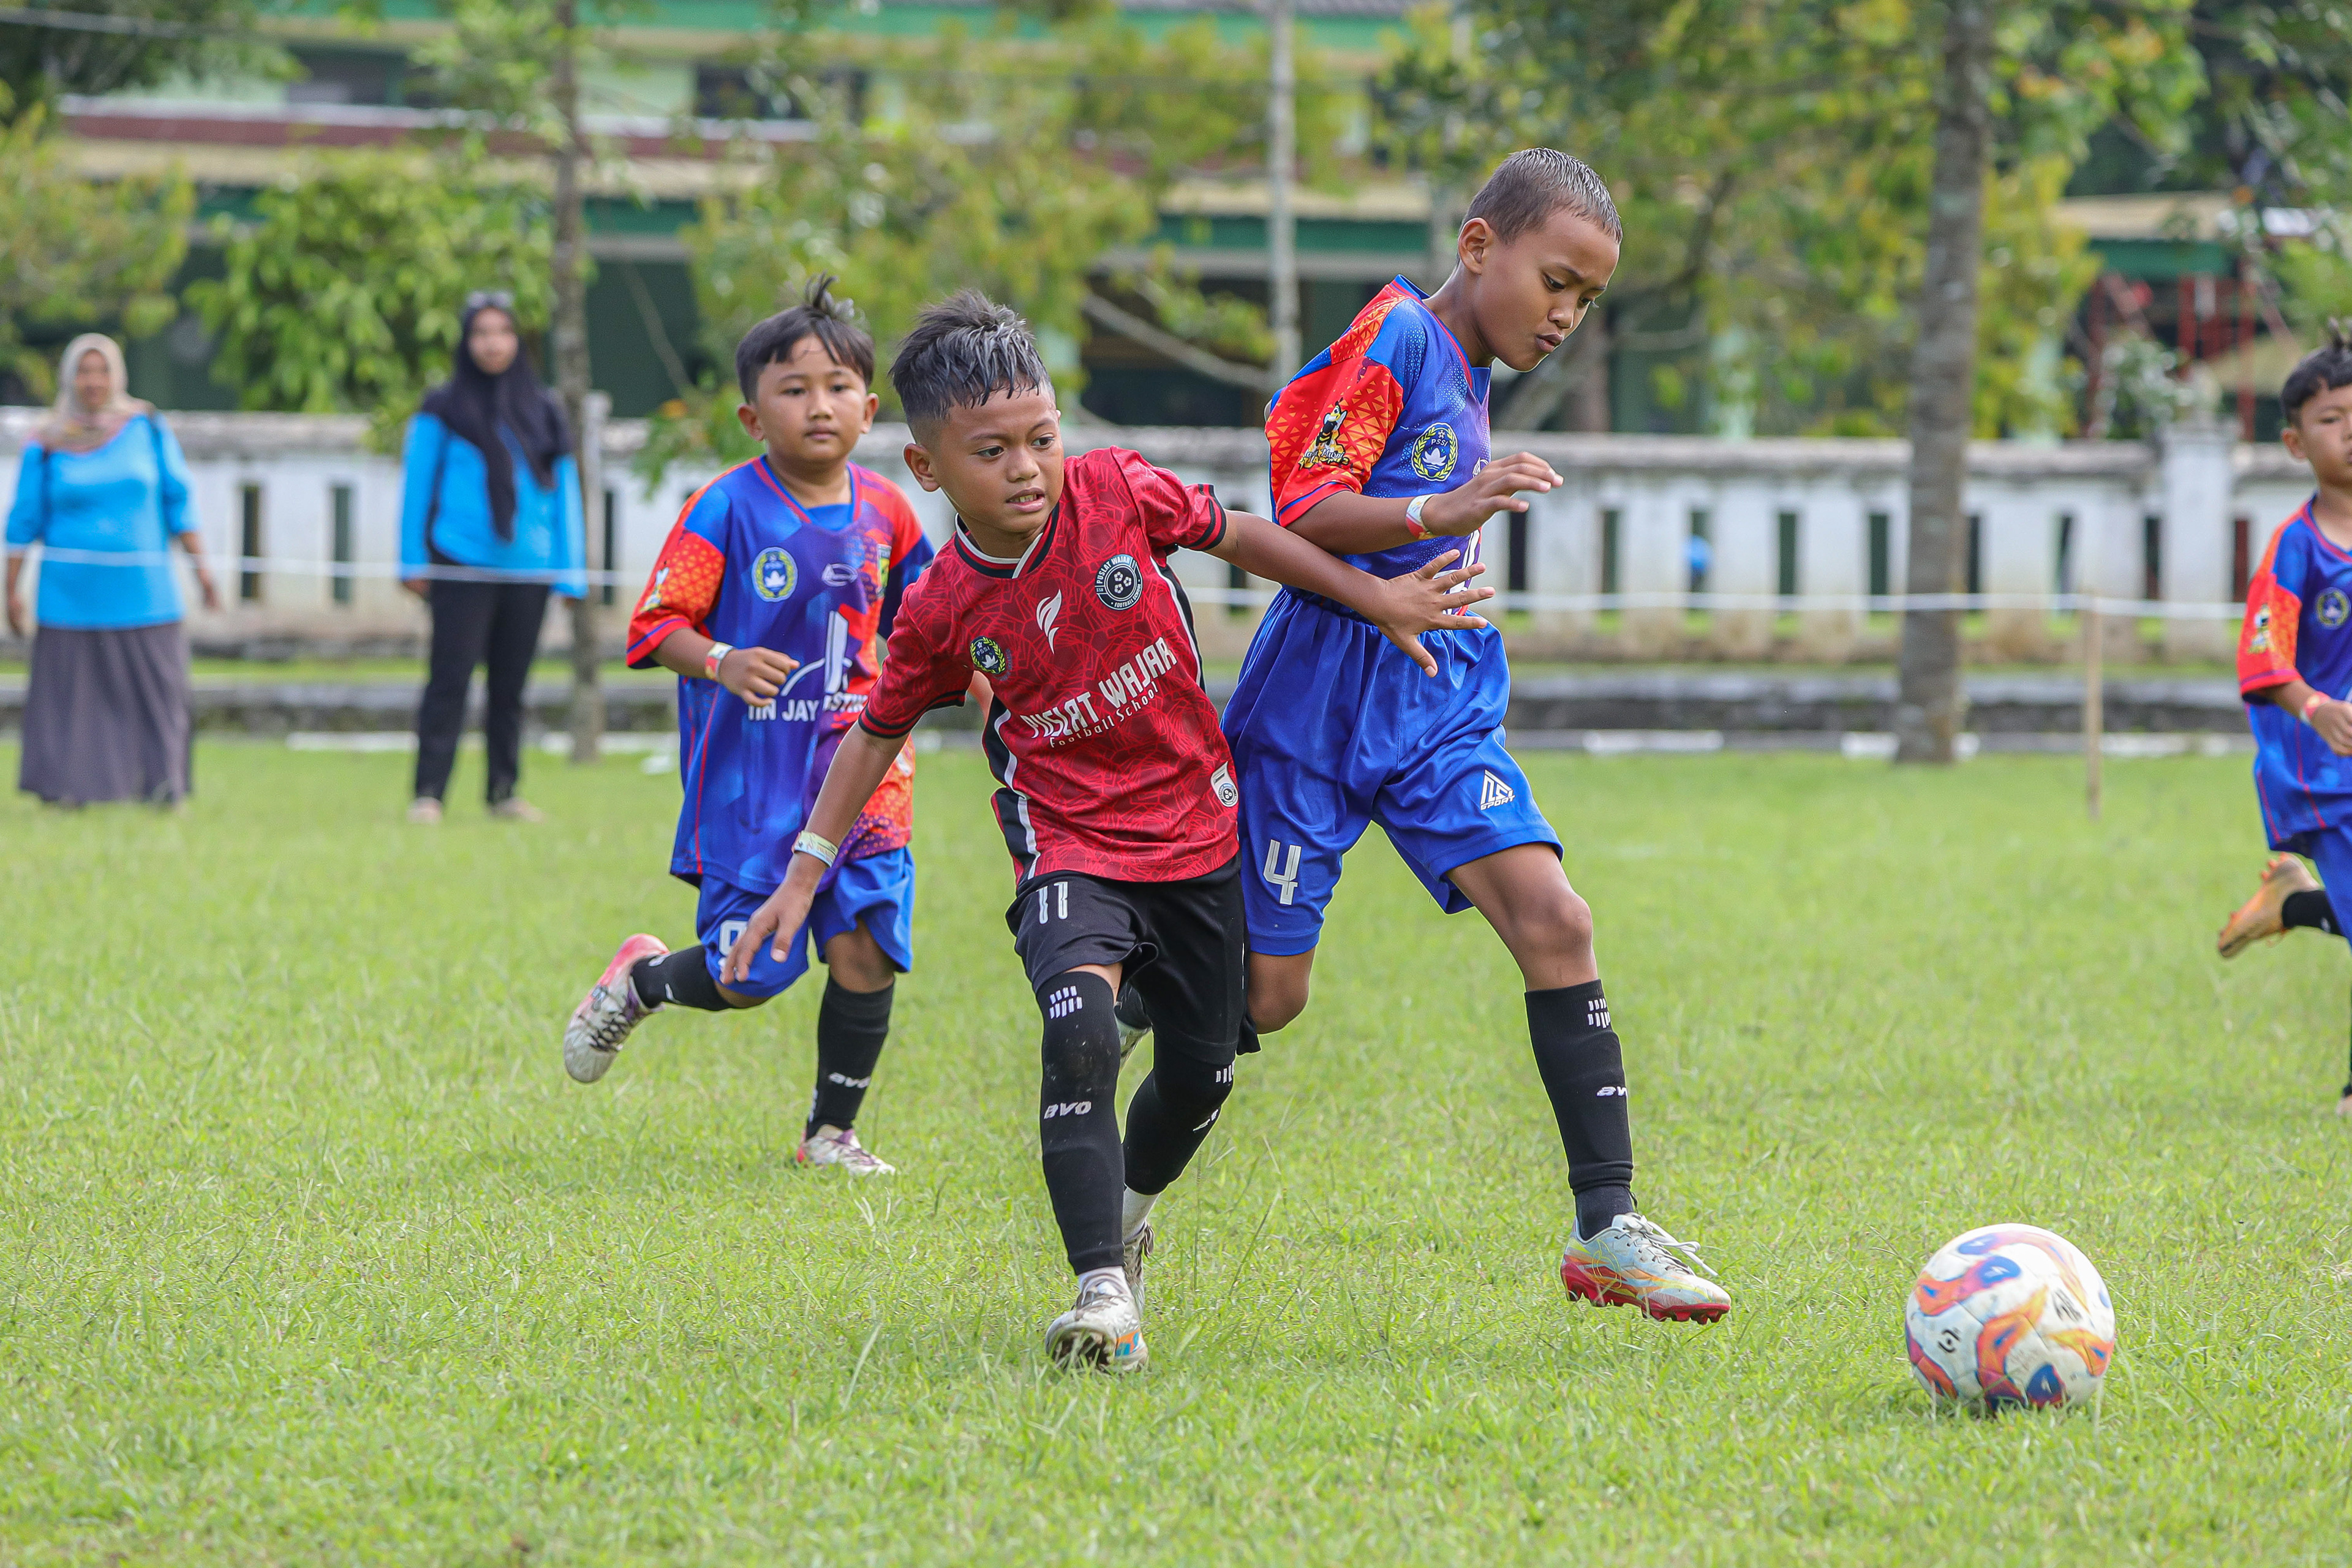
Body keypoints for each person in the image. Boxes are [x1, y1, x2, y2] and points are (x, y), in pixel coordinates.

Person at [723, 291, 1493, 1371]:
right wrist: (805, 874)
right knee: (1077, 1032)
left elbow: (1245, 537)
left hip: (1199, 833)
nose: (1027, 468)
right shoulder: (942, 606)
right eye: (992, 451)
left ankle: (1127, 1214)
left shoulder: (1119, 490)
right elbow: (874, 731)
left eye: (1041, 438)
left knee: (1205, 1073)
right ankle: (1101, 1297)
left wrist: (1383, 600)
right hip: (1068, 844)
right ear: (928, 467)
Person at [1144, 148, 1730, 1322]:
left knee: (1557, 919)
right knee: (1265, 998)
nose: (1564, 316)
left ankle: (1606, 1226)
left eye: (1587, 300)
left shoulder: (1471, 367)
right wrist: (1437, 512)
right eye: (1556, 282)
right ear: (1478, 246)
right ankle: (1110, 1164)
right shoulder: (1400, 336)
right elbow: (1306, 504)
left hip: (1436, 704)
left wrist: (1435, 546)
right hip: (1314, 707)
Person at [560, 279, 938, 1175]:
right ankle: (643, 982)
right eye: (794, 389)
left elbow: (932, 621)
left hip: (864, 777)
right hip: (752, 787)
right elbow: (655, 625)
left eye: (838, 387)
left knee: (865, 949)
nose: (820, 406)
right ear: (752, 415)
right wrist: (722, 660)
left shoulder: (888, 511)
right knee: (751, 974)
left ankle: (830, 1134)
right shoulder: (726, 507)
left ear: (870, 409)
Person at [2216, 329, 2352, 1113]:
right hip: (2319, 774)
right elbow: (2263, 658)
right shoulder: (2295, 550)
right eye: (2333, 419)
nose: (2351, 432)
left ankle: (2292, 904)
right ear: (2297, 444)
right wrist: (2318, 708)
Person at [6, 333, 220, 807]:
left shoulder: (146, 427)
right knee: (70, 701)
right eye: (84, 371)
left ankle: (162, 787)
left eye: (102, 370)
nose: (93, 381)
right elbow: (23, 521)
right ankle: (65, 789)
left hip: (144, 592)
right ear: (70, 378)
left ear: (117, 375)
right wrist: (11, 590)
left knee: (158, 694)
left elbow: (178, 502)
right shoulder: (47, 441)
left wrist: (202, 571)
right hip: (70, 597)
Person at [400, 290, 585, 824]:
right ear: (466, 341)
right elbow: (417, 486)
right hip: (460, 562)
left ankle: (504, 792)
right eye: (481, 333)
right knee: (449, 680)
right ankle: (429, 794)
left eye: (503, 332)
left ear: (518, 341)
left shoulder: (545, 409)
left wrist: (571, 572)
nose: (492, 344)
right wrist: (411, 560)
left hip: (530, 568)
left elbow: (566, 494)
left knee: (511, 687)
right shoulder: (443, 407)